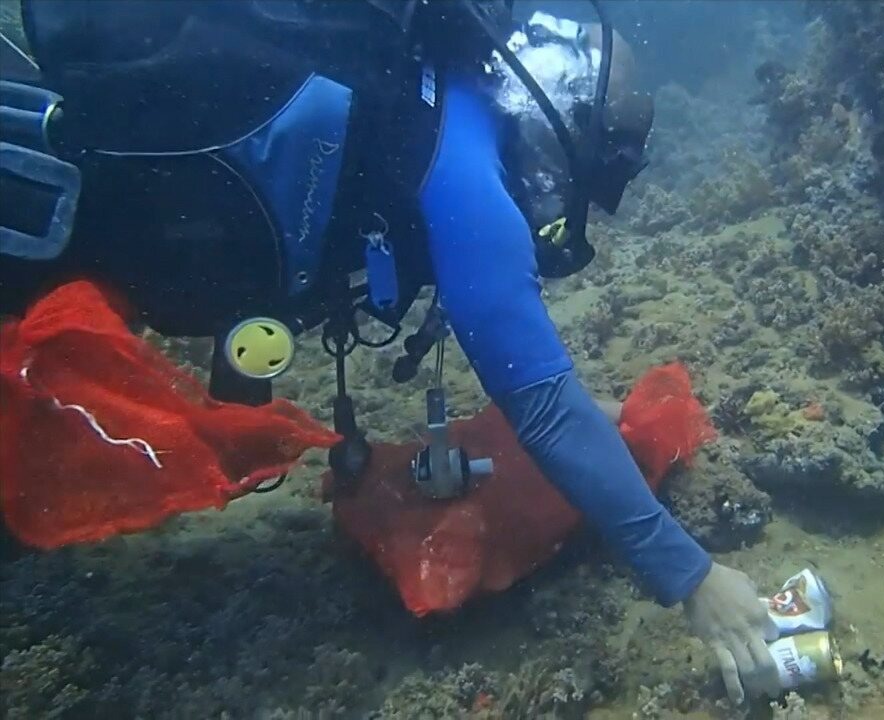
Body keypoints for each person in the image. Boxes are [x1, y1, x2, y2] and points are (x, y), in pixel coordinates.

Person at [0, 0, 779, 704]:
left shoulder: (417, 95)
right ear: (562, 128)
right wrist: (694, 577)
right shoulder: (461, 176)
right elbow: (541, 404)